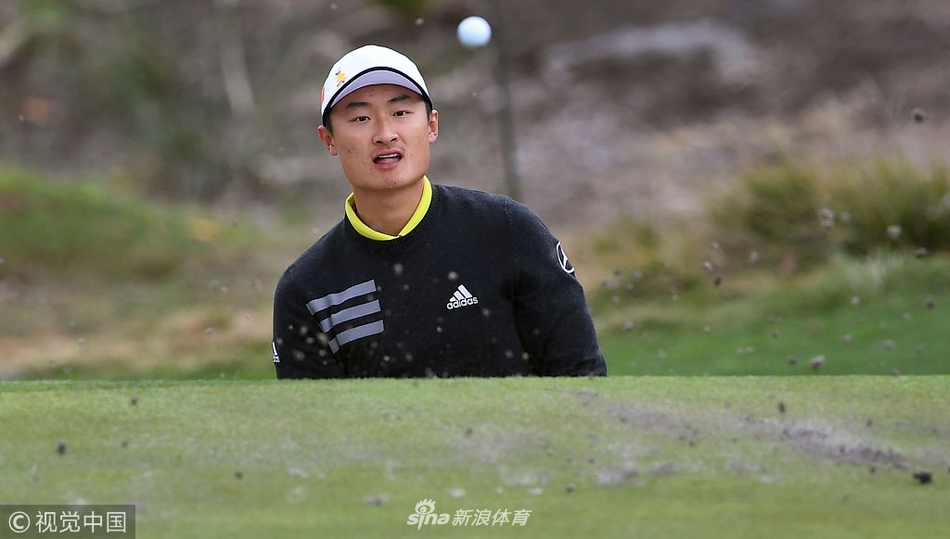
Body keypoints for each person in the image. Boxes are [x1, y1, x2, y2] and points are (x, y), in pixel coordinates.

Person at [272, 44, 606, 378]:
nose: (385, 134)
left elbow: (583, 379)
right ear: (328, 140)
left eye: (401, 112)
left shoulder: (509, 231)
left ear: (432, 125)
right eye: (361, 118)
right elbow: (317, 411)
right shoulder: (306, 288)